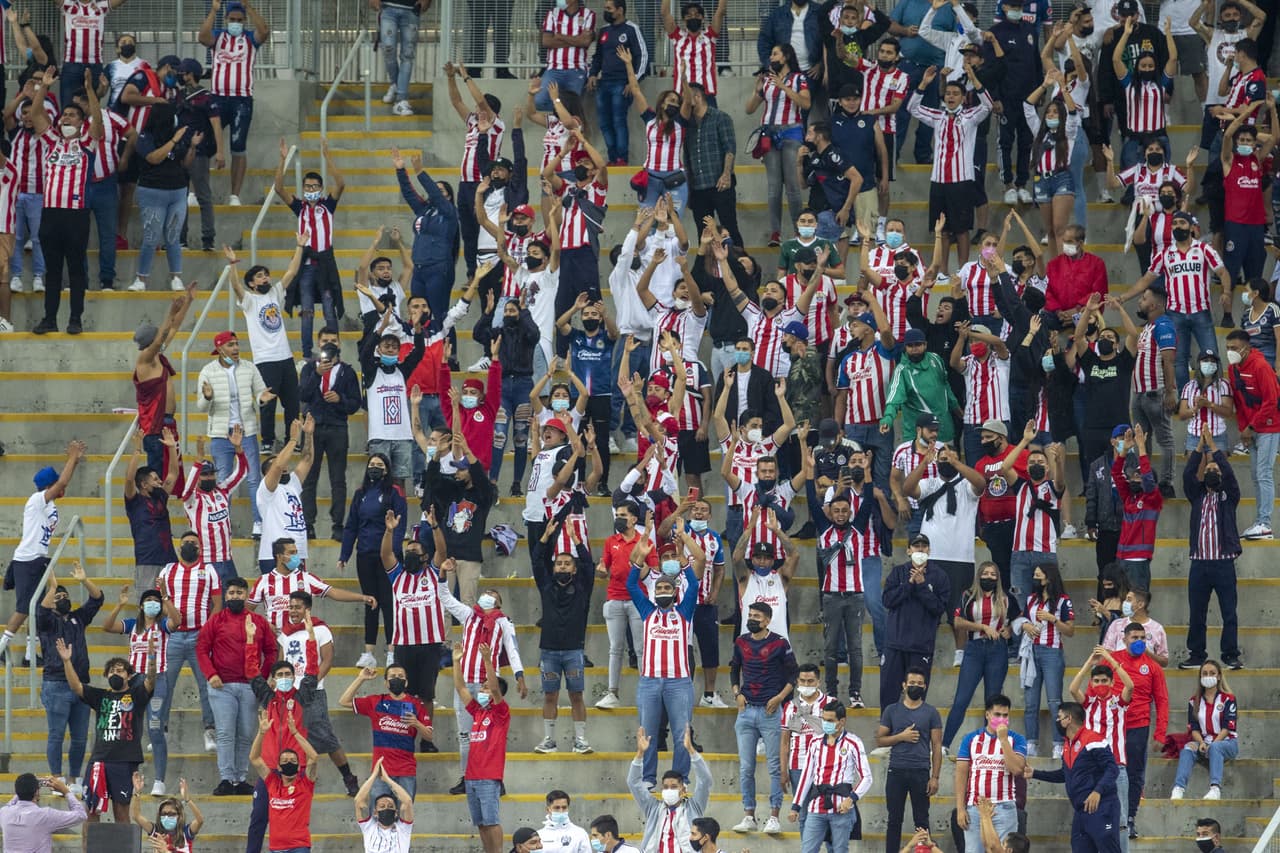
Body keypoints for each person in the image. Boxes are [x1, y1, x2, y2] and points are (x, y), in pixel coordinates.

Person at [27, 69, 103, 335]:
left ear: (82, 121)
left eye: (72, 114)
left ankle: (75, 319)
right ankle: (49, 319)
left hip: (76, 215)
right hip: (50, 214)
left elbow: (98, 124)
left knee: (76, 269)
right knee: (53, 270)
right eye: (64, 115)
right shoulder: (52, 141)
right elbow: (36, 115)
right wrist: (44, 88)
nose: (65, 118)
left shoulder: (87, 143)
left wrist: (91, 91)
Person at [626, 532, 705, 786]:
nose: (661, 590)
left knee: (683, 732)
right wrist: (639, 559)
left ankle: (679, 777)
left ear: (674, 591)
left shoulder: (684, 613)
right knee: (647, 732)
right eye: (658, 587)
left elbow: (693, 586)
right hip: (649, 682)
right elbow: (630, 586)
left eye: (666, 588)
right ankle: (648, 777)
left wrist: (684, 563)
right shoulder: (647, 611)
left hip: (679, 682)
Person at [55, 634, 155, 824]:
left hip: (124, 762)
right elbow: (76, 686)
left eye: (119, 670)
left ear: (129, 675)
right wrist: (67, 661)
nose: (114, 674)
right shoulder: (100, 696)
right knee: (91, 812)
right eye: (111, 671)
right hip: (99, 761)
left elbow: (150, 682)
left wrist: (151, 659)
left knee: (121, 813)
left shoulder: (137, 694)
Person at [1125, 211, 1229, 391]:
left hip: (1201, 311)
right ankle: (1184, 398)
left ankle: (1213, 396)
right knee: (1178, 360)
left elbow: (1222, 272)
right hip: (1175, 314)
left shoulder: (1204, 249)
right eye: (1174, 223)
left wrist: (1226, 291)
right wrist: (1123, 297)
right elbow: (1146, 280)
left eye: (1182, 222)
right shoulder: (1165, 254)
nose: (1177, 226)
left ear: (1191, 227)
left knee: (1212, 356)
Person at [0, 444, 85, 664]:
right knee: (23, 608)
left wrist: (74, 460)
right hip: (28, 559)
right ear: (49, 485)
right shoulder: (37, 500)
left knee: (38, 607)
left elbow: (62, 482)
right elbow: (63, 482)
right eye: (55, 483)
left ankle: (30, 655)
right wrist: (72, 458)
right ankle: (2, 646)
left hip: (38, 558)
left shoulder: (49, 504)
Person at [224, 237, 305, 453]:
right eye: (259, 276)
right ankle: (267, 441)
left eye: (266, 274)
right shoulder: (250, 300)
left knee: (292, 403)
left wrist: (300, 245)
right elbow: (235, 286)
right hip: (265, 359)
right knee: (268, 404)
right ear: (252, 283)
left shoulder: (275, 293)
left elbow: (292, 271)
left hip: (285, 358)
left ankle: (292, 439)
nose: (265, 278)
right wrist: (232, 265)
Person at [197, 576, 276, 796]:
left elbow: (271, 650)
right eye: (231, 593)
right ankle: (225, 779)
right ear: (225, 595)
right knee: (225, 733)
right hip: (221, 686)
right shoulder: (216, 620)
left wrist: (263, 676)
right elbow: (202, 649)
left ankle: (240, 779)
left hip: (250, 686)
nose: (235, 597)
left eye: (239, 593)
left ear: (247, 595)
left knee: (246, 733)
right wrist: (210, 673)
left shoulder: (258, 621)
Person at [906, 63, 991, 265]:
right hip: (939, 181)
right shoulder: (937, 116)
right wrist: (924, 84)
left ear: (963, 97)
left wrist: (974, 79)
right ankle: (942, 271)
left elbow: (988, 105)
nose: (951, 97)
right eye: (948, 93)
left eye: (955, 93)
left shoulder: (970, 116)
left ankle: (963, 269)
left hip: (962, 181)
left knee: (961, 230)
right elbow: (912, 108)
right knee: (942, 229)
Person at [274, 138, 346, 360]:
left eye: (315, 187)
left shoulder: (327, 206)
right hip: (305, 267)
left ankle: (335, 352)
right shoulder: (300, 208)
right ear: (303, 189)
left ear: (321, 188)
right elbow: (278, 188)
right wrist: (283, 159)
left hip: (325, 264)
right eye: (307, 187)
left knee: (329, 309)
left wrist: (328, 157)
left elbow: (341, 184)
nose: (311, 190)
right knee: (306, 312)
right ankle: (306, 354)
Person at [729, 601, 797, 834]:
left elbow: (793, 676)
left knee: (775, 766)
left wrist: (779, 698)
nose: (752, 619)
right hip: (746, 711)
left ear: (767, 620)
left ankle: (774, 816)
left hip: (771, 712)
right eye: (750, 615)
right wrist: (737, 693)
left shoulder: (780, 643)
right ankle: (749, 815)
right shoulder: (741, 642)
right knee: (746, 768)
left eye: (757, 616)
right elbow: (734, 668)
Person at [102, 587, 178, 796]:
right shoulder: (133, 624)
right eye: (148, 600)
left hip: (158, 679)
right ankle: (132, 776)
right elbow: (107, 626)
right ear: (141, 605)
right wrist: (119, 604)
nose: (152, 603)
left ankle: (159, 781)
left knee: (154, 726)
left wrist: (166, 599)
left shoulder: (163, 625)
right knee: (129, 729)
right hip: (135, 681)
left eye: (156, 601)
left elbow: (177, 621)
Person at [34, 563, 103, 790]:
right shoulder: (46, 622)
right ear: (51, 599)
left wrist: (84, 580)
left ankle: (74, 778)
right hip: (55, 684)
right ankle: (56, 777)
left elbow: (97, 599)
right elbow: (41, 611)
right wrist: (52, 586)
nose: (63, 598)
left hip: (81, 685)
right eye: (58, 595)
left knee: (80, 737)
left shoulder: (78, 618)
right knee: (56, 734)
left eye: (65, 595)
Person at [197, 330, 271, 535]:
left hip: (246, 431)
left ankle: (259, 522)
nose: (236, 348)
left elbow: (260, 393)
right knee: (223, 480)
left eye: (237, 344)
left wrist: (262, 399)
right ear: (220, 349)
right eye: (231, 345)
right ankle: (224, 525)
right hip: (221, 434)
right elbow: (202, 407)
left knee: (254, 478)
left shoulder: (249, 368)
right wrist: (208, 397)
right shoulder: (208, 371)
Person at [533, 520, 596, 755]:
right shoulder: (546, 587)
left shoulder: (583, 588)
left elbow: (589, 564)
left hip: (573, 651)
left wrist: (576, 539)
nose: (562, 567)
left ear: (574, 569)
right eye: (558, 563)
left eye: (567, 564)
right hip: (548, 651)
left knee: (576, 695)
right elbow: (537, 561)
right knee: (550, 695)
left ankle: (580, 740)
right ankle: (549, 739)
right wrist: (545, 537)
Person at [1182, 429, 1243, 670]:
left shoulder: (1229, 497)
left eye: (1215, 471)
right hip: (1199, 564)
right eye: (1208, 471)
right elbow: (1188, 474)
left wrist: (1215, 452)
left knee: (1229, 612)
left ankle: (1230, 654)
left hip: (1223, 563)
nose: (1212, 473)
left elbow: (1229, 475)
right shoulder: (1196, 497)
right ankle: (1196, 654)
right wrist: (1199, 449)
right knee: (1197, 613)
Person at [941, 563, 1020, 751]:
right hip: (974, 648)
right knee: (961, 699)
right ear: (979, 576)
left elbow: (1018, 618)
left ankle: (992, 745)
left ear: (998, 577)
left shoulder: (1006, 597)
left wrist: (1009, 629)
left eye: (993, 574)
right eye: (985, 573)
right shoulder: (968, 596)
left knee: (993, 701)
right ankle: (944, 745)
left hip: (997, 649)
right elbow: (958, 621)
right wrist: (983, 627)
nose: (989, 577)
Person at [1027, 702, 1123, 853]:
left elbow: (1112, 769)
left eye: (1059, 717)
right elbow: (1064, 774)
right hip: (1081, 812)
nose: (1057, 721)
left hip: (1102, 807)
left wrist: (1097, 791)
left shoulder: (1093, 740)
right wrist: (1034, 773)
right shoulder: (1067, 745)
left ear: (1068, 719)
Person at [197, 0, 267, 205]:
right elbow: (202, 36)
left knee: (238, 145)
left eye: (239, 20)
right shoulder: (218, 37)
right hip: (217, 97)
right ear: (226, 19)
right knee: (203, 143)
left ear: (244, 21)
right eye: (232, 19)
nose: (235, 23)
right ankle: (195, 192)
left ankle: (234, 195)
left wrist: (250, 8)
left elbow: (264, 31)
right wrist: (213, 10)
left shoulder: (249, 39)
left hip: (242, 99)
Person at [746, 44, 811, 246]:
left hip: (792, 131)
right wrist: (757, 90)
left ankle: (798, 230)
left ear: (786, 57)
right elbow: (749, 109)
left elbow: (806, 104)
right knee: (774, 186)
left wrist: (783, 86)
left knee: (792, 185)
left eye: (775, 53)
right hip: (769, 133)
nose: (771, 57)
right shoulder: (766, 79)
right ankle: (776, 232)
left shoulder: (799, 78)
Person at [789, 699, 872, 853]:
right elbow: (806, 776)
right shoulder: (815, 743)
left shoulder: (853, 743)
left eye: (830, 720)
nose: (825, 723)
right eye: (823, 719)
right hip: (816, 807)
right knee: (807, 850)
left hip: (841, 808)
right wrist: (796, 806)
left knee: (839, 851)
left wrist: (851, 799)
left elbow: (867, 777)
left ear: (842, 721)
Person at [128, 102, 195, 293]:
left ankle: (176, 277)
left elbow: (185, 163)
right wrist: (173, 141)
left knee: (173, 237)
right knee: (151, 237)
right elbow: (153, 158)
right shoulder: (145, 137)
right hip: (152, 192)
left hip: (177, 191)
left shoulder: (179, 136)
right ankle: (141, 279)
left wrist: (192, 147)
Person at [876, 667, 943, 853]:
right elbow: (880, 739)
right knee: (894, 819)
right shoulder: (892, 710)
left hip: (921, 771)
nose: (915, 686)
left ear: (925, 686)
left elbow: (937, 746)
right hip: (896, 770)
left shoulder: (931, 713)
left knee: (922, 820)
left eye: (919, 684)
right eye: (912, 683)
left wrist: (935, 777)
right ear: (904, 685)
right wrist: (901, 737)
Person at [299, 340, 361, 541]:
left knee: (338, 478)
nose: (328, 355)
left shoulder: (347, 372)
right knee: (309, 477)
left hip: (337, 427)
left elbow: (355, 403)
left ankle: (337, 524)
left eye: (332, 350)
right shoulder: (309, 368)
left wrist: (340, 399)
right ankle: (308, 523)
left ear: (338, 353)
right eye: (325, 349)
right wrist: (317, 374)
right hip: (313, 426)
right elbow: (303, 395)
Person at [880, 534, 950, 710]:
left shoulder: (939, 576)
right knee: (887, 698)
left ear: (929, 550)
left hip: (921, 647)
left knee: (916, 699)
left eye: (924, 546)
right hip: (895, 645)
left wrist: (922, 585)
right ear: (908, 550)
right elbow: (888, 601)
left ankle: (914, 735)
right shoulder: (898, 573)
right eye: (916, 546)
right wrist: (909, 584)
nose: (920, 549)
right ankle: (888, 734)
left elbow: (939, 609)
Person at [453, 639, 510, 853]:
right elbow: (460, 687)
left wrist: (487, 660)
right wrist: (456, 662)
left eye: (485, 687)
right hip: (471, 776)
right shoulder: (478, 712)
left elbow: (495, 688)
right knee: (481, 823)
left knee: (492, 821)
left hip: (488, 776)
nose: (483, 690)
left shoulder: (500, 713)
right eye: (483, 686)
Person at [1114, 622, 1169, 839]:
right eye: (1134, 637)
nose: (1138, 641)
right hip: (1113, 726)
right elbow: (1095, 690)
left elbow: (1162, 701)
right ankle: (1112, 816)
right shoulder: (1113, 660)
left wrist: (1160, 733)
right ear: (1124, 638)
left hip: (1139, 726)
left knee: (1135, 773)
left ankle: (1130, 818)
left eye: (1142, 638)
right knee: (1110, 771)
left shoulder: (1152, 666)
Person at [1223, 329, 1280, 539]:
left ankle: (1265, 523)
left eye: (1234, 348)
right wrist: (1243, 430)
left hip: (1270, 426)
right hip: (1252, 428)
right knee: (1256, 476)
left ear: (1246, 348)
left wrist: (1251, 427)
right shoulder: (1233, 369)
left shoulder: (1261, 366)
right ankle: (1259, 521)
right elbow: (1240, 402)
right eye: (1228, 348)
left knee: (1264, 473)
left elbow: (1271, 402)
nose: (1230, 352)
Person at [954, 695, 1028, 851]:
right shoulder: (970, 739)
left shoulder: (1017, 739)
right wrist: (960, 808)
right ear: (987, 715)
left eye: (1005, 715)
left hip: (1004, 807)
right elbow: (961, 774)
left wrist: (1003, 740)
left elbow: (1016, 769)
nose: (1001, 719)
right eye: (997, 715)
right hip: (975, 808)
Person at [1019, 563, 1076, 758]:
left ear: (1049, 578)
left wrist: (1053, 619)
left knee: (1054, 701)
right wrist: (1025, 625)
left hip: (1052, 652)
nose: (1036, 579)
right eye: (1034, 576)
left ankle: (1058, 743)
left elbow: (1070, 631)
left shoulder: (1063, 601)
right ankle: (1030, 743)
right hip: (1031, 652)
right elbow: (1022, 620)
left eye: (1039, 576)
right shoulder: (1030, 599)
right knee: (1030, 703)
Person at [248, 704, 319, 853]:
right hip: (276, 848)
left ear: (299, 767)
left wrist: (295, 733)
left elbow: (313, 757)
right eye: (285, 761)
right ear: (278, 767)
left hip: (299, 847)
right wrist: (261, 733)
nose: (289, 763)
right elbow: (254, 758)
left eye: (293, 761)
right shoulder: (272, 783)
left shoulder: (305, 784)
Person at [180, 432, 247, 583]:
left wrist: (238, 449)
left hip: (227, 560)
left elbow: (242, 472)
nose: (210, 477)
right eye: (205, 475)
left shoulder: (222, 490)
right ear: (197, 476)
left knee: (230, 604)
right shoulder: (192, 499)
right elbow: (186, 490)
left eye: (212, 474)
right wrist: (198, 460)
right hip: (205, 561)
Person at [1171, 660, 1238, 800]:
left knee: (1215, 747)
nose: (1208, 676)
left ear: (1219, 676)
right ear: (1200, 677)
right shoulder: (1193, 701)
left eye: (1212, 673)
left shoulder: (1228, 699)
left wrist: (1212, 744)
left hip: (1227, 742)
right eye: (1205, 673)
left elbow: (1228, 727)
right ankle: (1178, 788)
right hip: (1204, 742)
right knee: (1187, 749)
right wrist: (1201, 742)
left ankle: (1215, 788)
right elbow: (1193, 727)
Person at [122, 428, 178, 591]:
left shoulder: (160, 496)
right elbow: (129, 478)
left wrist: (172, 447)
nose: (160, 481)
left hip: (169, 560)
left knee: (172, 604)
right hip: (146, 561)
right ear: (144, 485)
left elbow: (173, 473)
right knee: (148, 604)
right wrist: (137, 450)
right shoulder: (134, 501)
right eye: (155, 479)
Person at [684, 83, 740, 246]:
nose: (684, 103)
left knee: (730, 229)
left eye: (686, 98)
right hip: (698, 188)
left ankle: (739, 266)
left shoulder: (721, 117)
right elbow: (687, 158)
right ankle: (707, 270)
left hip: (720, 184)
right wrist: (689, 189)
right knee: (703, 234)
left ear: (697, 97)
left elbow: (730, 148)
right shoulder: (688, 125)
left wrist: (726, 174)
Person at [1111, 425, 1163, 592]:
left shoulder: (1152, 500)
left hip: (1139, 560)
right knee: (1122, 603)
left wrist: (1141, 447)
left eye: (1138, 476)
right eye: (1134, 476)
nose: (1135, 479)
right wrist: (1124, 452)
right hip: (1121, 557)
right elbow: (1116, 474)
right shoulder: (1129, 497)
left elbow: (1148, 478)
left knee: (1137, 604)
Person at [0, 773, 87, 852]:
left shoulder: (4, 812)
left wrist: (25, 786)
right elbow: (81, 815)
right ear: (37, 792)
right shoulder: (45, 815)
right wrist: (66, 791)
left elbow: (13, 801)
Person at [129, 775, 203, 851]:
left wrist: (187, 800)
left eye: (171, 814)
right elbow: (136, 816)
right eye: (164, 814)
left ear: (179, 815)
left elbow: (200, 820)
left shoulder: (186, 832)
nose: (167, 817)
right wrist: (136, 793)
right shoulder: (156, 831)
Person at [355, 758, 414, 853]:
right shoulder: (369, 827)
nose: (386, 808)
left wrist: (387, 780)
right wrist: (374, 775)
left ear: (396, 813)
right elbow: (359, 801)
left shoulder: (403, 829)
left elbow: (407, 801)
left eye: (390, 806)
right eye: (382, 806)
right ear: (375, 812)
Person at [1102, 587, 1169, 667]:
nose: (1124, 603)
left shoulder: (1157, 629)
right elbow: (1106, 653)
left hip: (1145, 675)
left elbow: (1164, 662)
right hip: (1119, 675)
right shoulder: (1116, 625)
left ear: (1140, 604)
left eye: (1129, 600)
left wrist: (1147, 653)